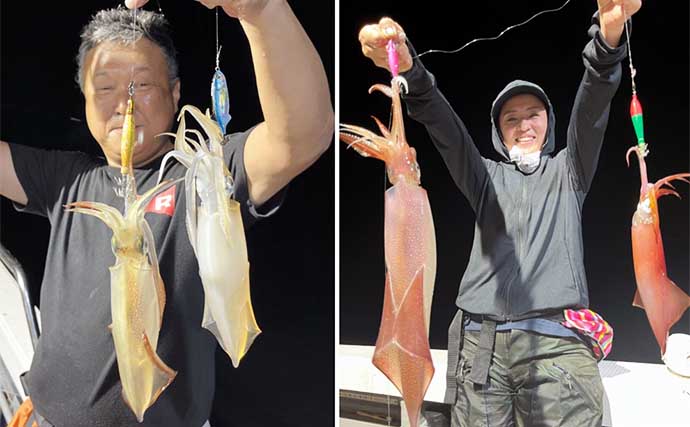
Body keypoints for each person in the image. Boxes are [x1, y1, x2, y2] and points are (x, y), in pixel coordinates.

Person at [0, 0, 333, 426]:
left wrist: (260, 9)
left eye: (143, 86)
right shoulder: (68, 179)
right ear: (84, 99)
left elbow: (302, 136)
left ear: (176, 94)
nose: (126, 104)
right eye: (105, 88)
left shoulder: (203, 177)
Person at [357, 0, 640, 425]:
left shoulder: (570, 171)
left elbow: (594, 102)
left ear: (549, 123)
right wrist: (409, 68)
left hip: (555, 347)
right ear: (498, 132)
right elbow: (443, 126)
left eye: (534, 116)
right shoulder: (484, 177)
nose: (524, 125)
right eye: (512, 119)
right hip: (480, 348)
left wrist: (608, 38)